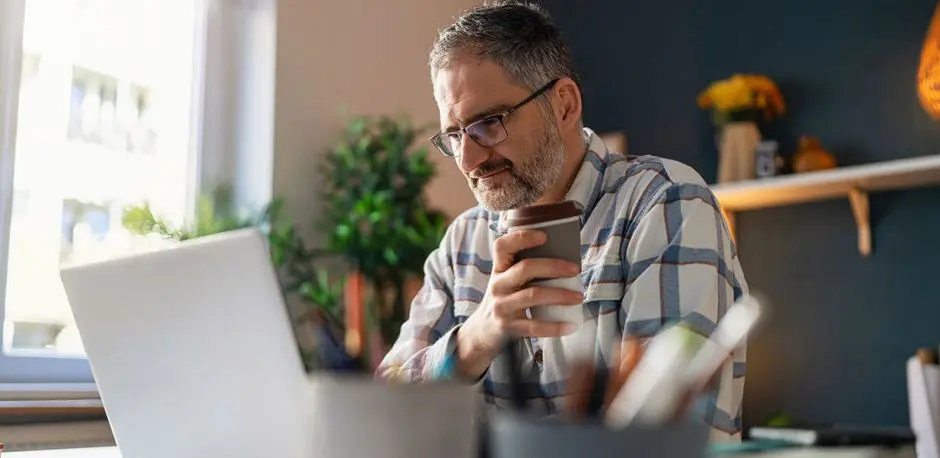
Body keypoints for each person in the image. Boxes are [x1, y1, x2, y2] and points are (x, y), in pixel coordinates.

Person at [376, 0, 749, 442]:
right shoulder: (462, 244)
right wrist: (477, 336)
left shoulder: (664, 202)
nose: (469, 160)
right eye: (454, 136)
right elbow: (382, 413)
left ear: (565, 105)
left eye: (488, 124)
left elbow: (661, 435)